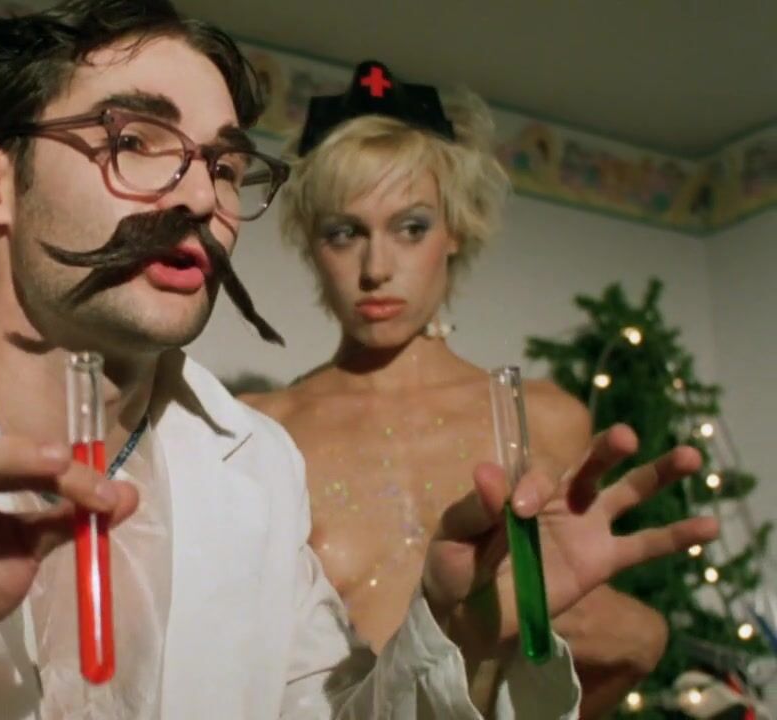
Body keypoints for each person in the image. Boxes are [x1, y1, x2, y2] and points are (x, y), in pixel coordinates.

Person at [0, 5, 716, 718]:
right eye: (134, 142)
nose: (198, 194)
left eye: (224, 165)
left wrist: (457, 641)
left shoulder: (256, 469)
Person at [243, 61, 674, 718]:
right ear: (312, 243)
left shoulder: (541, 420)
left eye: (410, 227)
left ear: (456, 229)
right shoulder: (261, 432)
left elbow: (561, 668)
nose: (376, 268)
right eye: (344, 232)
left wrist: (635, 647)